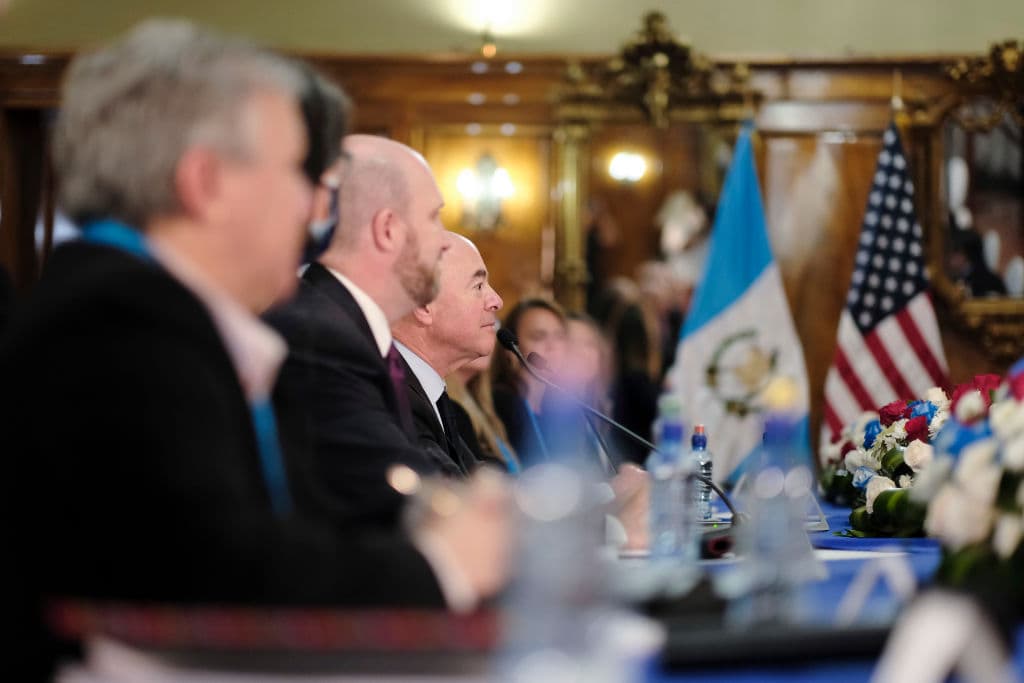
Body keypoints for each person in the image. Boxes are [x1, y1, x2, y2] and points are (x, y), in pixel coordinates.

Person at [0, 23, 509, 678]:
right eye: (299, 171)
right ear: (207, 181)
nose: (315, 208)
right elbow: (221, 572)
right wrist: (444, 563)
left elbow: (297, 529)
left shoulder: (155, 315)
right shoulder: (117, 325)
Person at [265, 134, 460, 526]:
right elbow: (400, 499)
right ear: (388, 229)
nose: (444, 242)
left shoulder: (341, 323)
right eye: (434, 217)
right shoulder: (321, 337)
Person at [390, 232, 503, 477]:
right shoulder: (396, 399)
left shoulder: (430, 393)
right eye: (479, 286)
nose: (497, 301)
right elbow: (456, 502)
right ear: (423, 305)